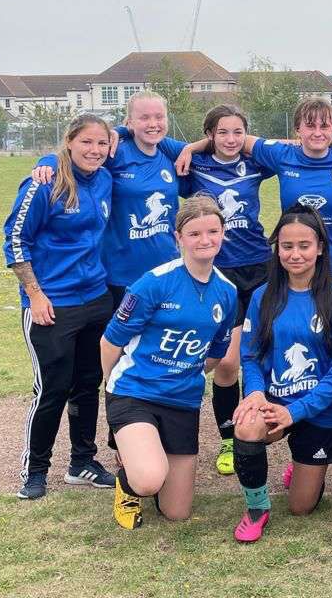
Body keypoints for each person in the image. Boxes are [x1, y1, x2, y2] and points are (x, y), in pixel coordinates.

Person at [176, 98, 332, 463]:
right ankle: (247, 427)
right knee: (246, 352)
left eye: (325, 126)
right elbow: (233, 137)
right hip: (290, 267)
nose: (317, 133)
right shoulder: (281, 155)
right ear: (296, 130)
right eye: (310, 126)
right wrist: (193, 145)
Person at [100, 196, 237, 529]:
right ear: (178, 238)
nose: (205, 240)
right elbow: (110, 341)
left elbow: (217, 352)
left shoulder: (228, 291)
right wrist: (110, 389)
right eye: (194, 234)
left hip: (182, 400)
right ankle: (128, 484)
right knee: (148, 479)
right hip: (135, 392)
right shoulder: (154, 283)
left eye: (212, 232)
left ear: (222, 233)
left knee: (178, 512)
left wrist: (184, 371)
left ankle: (144, 451)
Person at [2, 114, 117, 500]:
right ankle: (35, 470)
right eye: (87, 142)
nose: (95, 151)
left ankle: (82, 462)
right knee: (52, 388)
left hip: (96, 299)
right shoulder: (44, 183)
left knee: (88, 384)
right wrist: (35, 294)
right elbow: (15, 241)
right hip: (51, 305)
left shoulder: (104, 179)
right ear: (69, 142)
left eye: (102, 143)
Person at [231, 205, 332, 543]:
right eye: (287, 246)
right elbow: (251, 354)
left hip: (318, 409)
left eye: (304, 245)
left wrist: (295, 412)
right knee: (247, 425)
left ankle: (302, 468)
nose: (295, 254)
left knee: (302, 507)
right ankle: (257, 507)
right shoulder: (263, 297)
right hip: (274, 400)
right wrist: (256, 393)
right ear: (277, 249)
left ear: (320, 248)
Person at [178, 105, 276, 478]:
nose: (231, 140)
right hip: (221, 272)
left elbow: (285, 148)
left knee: (267, 350)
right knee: (228, 362)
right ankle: (228, 438)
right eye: (222, 133)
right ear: (210, 135)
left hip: (261, 266)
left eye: (238, 132)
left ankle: (280, 424)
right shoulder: (194, 165)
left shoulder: (255, 162)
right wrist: (195, 146)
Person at [30, 91, 183, 308]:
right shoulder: (114, 152)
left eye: (159, 117)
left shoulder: (172, 154)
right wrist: (49, 161)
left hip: (167, 270)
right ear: (129, 122)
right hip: (121, 276)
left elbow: (211, 151)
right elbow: (78, 156)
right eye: (144, 117)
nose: (153, 124)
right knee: (118, 341)